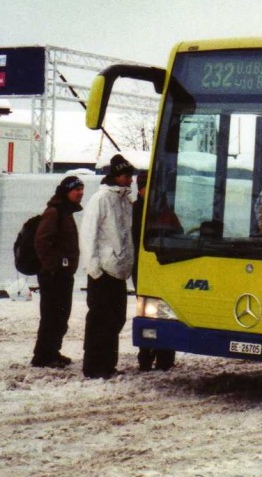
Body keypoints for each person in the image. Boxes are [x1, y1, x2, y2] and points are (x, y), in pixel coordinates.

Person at [79, 154, 135, 379]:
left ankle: (108, 363)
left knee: (116, 319)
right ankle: (93, 366)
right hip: (103, 272)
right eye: (126, 176)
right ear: (116, 176)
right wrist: (95, 270)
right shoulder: (100, 199)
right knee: (99, 321)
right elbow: (88, 234)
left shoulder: (124, 200)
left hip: (118, 271)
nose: (130, 180)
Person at [31, 175, 84, 368]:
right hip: (53, 275)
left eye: (81, 189)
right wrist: (53, 267)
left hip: (62, 274)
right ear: (66, 191)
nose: (80, 193)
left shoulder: (65, 212)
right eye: (76, 189)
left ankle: (52, 351)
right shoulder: (54, 212)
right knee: (52, 316)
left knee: (60, 316)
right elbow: (42, 241)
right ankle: (43, 356)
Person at [131, 170, 175, 372]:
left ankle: (165, 357)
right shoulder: (136, 210)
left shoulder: (163, 210)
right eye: (146, 187)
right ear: (140, 189)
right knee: (148, 312)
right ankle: (146, 356)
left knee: (167, 311)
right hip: (144, 267)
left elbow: (177, 232)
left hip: (165, 266)